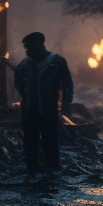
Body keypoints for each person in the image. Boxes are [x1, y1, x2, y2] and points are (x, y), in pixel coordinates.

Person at [15, 32, 74, 174]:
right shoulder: (24, 64)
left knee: (50, 143)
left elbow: (67, 84)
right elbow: (18, 83)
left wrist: (66, 104)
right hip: (29, 112)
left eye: (29, 46)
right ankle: (32, 172)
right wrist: (27, 95)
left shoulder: (57, 61)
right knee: (30, 145)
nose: (27, 50)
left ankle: (53, 172)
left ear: (38, 44)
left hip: (48, 110)